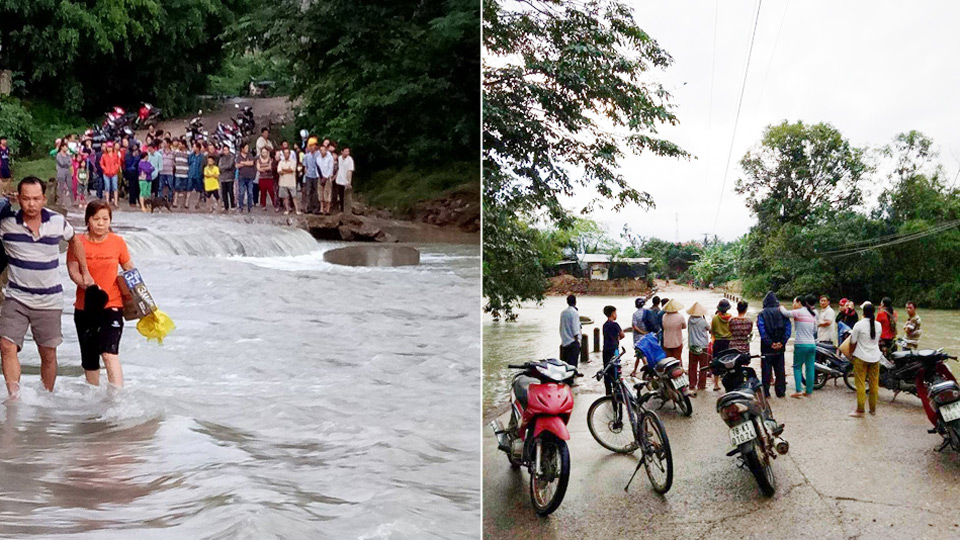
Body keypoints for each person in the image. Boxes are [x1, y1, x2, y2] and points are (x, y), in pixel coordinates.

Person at [0, 177, 94, 399]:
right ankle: (14, 397)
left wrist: (82, 271)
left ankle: (46, 399)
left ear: (44, 199)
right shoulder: (6, 224)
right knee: (6, 345)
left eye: (36, 199)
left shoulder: (57, 221)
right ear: (18, 199)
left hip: (49, 300)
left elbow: (76, 241)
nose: (31, 204)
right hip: (16, 297)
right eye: (26, 199)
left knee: (48, 353)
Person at [66, 201, 135, 387]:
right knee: (90, 360)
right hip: (85, 307)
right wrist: (86, 284)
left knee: (109, 352)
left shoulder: (117, 242)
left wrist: (142, 299)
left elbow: (130, 269)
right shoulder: (77, 243)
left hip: (112, 304)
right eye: (96, 219)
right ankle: (93, 401)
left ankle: (117, 398)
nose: (101, 223)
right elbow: (73, 270)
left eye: (105, 219)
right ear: (88, 220)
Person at [849, 302, 883, 417]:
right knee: (874, 384)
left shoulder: (858, 325)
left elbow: (853, 342)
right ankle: (872, 410)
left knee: (860, 384)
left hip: (860, 357)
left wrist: (850, 355)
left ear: (863, 313)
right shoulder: (878, 325)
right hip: (875, 357)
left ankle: (860, 409)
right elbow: (877, 340)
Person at [781, 295, 817, 398]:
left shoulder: (799, 312)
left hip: (801, 344)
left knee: (797, 367)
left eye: (794, 302)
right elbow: (814, 330)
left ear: (799, 303)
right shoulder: (813, 314)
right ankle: (809, 391)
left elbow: (785, 313)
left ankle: (798, 390)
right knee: (810, 368)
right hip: (812, 344)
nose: (793, 305)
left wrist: (781, 307)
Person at [757, 292, 791, 398]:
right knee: (780, 369)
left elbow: (762, 330)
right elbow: (788, 328)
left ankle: (766, 392)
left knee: (766, 370)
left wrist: (770, 343)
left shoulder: (762, 314)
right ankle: (780, 392)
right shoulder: (782, 313)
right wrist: (782, 342)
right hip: (780, 347)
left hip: (767, 348)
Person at [686, 302, 710, 397]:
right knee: (703, 366)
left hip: (693, 345)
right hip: (703, 346)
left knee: (692, 365)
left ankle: (692, 384)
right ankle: (701, 385)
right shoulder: (703, 321)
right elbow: (709, 328)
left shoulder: (689, 320)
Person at [709, 299, 733, 391]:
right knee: (729, 362)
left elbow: (713, 331)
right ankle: (728, 383)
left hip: (718, 342)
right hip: (728, 342)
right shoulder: (731, 318)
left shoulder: (715, 318)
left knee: (716, 362)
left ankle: (716, 384)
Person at [601, 305, 624, 396]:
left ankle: (608, 391)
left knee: (606, 369)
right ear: (613, 314)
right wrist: (617, 338)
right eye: (615, 313)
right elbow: (622, 335)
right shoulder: (615, 325)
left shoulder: (605, 325)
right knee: (615, 370)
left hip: (606, 349)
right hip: (614, 349)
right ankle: (616, 389)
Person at [277, 146, 300, 215]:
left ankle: (297, 210)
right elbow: (279, 171)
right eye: (285, 153)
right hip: (283, 183)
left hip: (291, 182)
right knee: (285, 197)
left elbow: (292, 170)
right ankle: (287, 209)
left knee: (294, 197)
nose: (286, 154)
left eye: (287, 153)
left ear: (289, 154)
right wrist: (287, 170)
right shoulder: (281, 162)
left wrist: (284, 170)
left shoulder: (293, 161)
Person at [559, 295, 581, 367]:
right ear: (575, 302)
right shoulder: (574, 313)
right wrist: (577, 341)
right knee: (573, 364)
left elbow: (561, 327)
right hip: (572, 342)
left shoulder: (563, 313)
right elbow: (575, 329)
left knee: (566, 364)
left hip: (565, 341)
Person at [630, 297, 649, 377]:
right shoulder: (647, 312)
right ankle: (634, 371)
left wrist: (642, 332)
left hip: (638, 338)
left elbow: (634, 326)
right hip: (647, 337)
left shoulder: (635, 314)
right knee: (640, 355)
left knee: (640, 354)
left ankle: (647, 370)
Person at [99, 142, 122, 207]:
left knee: (115, 187)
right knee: (107, 187)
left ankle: (115, 202)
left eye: (110, 147)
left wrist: (115, 169)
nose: (109, 148)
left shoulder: (115, 155)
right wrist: (105, 169)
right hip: (106, 173)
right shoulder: (104, 155)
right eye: (108, 147)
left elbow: (118, 163)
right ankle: (107, 201)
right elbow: (101, 164)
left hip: (114, 173)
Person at [302, 138, 320, 214]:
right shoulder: (306, 156)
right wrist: (305, 175)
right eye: (310, 146)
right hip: (309, 175)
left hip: (316, 175)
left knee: (316, 192)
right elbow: (305, 166)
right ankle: (308, 207)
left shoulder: (318, 154)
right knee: (308, 191)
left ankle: (316, 207)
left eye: (313, 146)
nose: (312, 147)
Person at [236, 143, 256, 213]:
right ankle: (240, 207)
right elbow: (237, 165)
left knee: (250, 192)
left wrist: (243, 163)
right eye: (246, 148)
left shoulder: (250, 155)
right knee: (241, 192)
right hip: (241, 177)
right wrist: (246, 163)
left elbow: (252, 163)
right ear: (242, 149)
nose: (247, 149)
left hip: (250, 177)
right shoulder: (238, 156)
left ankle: (250, 207)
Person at [257, 147, 278, 211]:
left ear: (268, 153)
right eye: (263, 152)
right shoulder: (258, 160)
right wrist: (265, 168)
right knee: (263, 192)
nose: (264, 154)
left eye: (265, 152)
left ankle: (275, 205)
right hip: (262, 178)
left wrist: (262, 169)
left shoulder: (270, 160)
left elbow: (270, 168)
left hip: (269, 178)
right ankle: (263, 205)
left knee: (271, 192)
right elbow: (258, 168)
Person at [186, 142, 205, 210]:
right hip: (191, 174)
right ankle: (187, 203)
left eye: (194, 147)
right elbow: (188, 162)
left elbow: (202, 166)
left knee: (199, 190)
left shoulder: (202, 157)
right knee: (189, 189)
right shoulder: (191, 156)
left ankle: (197, 203)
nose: (193, 148)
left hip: (198, 175)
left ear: (198, 148)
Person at [336, 146, 355, 213]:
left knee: (346, 197)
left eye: (348, 151)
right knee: (340, 195)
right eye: (346, 151)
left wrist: (349, 182)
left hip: (346, 181)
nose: (347, 153)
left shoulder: (350, 160)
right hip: (339, 179)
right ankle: (341, 209)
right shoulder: (339, 158)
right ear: (342, 152)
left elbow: (350, 171)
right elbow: (338, 168)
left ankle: (346, 211)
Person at [172, 140, 190, 208]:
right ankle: (175, 202)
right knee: (177, 188)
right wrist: (175, 165)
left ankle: (184, 203)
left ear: (184, 145)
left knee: (185, 188)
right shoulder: (176, 152)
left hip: (185, 173)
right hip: (178, 173)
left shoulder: (188, 153)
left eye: (180, 144)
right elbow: (173, 160)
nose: (179, 145)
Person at [318, 143, 335, 215]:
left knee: (327, 193)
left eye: (324, 150)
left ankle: (327, 209)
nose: (322, 152)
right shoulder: (318, 157)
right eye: (321, 150)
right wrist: (320, 177)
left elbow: (331, 168)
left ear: (326, 150)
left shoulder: (330, 158)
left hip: (327, 178)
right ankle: (321, 209)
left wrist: (326, 177)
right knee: (320, 193)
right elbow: (317, 168)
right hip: (320, 177)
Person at [218, 145, 236, 212]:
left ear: (229, 150)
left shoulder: (232, 157)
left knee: (230, 192)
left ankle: (232, 205)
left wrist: (223, 167)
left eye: (226, 150)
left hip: (230, 177)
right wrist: (224, 168)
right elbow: (219, 166)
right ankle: (226, 206)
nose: (225, 151)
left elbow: (230, 165)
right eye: (224, 150)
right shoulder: (221, 158)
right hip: (223, 177)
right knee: (224, 192)